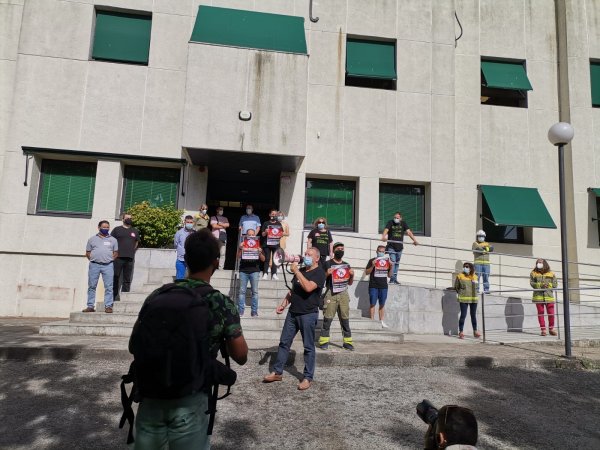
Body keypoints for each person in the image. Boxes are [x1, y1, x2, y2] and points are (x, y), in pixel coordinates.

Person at [132, 229, 248, 449]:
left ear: (186, 259)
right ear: (216, 262)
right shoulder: (220, 302)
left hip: (151, 393)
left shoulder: (158, 295)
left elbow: (133, 344)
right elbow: (240, 356)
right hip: (191, 397)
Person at [263, 247, 326, 391]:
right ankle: (277, 372)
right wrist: (283, 305)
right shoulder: (302, 270)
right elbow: (292, 291)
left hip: (308, 314)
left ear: (317, 258)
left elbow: (308, 287)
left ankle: (307, 377)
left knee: (308, 347)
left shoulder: (319, 273)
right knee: (284, 343)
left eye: (309, 254)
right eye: (305, 254)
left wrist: (297, 271)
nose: (306, 256)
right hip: (292, 313)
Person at [318, 242, 355, 351]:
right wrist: (327, 273)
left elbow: (350, 283)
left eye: (342, 249)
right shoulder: (327, 263)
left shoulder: (346, 265)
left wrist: (352, 275)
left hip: (343, 293)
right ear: (333, 251)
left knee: (345, 319)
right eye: (338, 249)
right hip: (331, 292)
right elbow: (320, 280)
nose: (340, 251)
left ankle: (347, 342)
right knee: (328, 319)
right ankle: (324, 341)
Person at [83, 220, 118, 314]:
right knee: (92, 286)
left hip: (108, 265)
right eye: (104, 227)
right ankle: (90, 306)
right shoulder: (92, 239)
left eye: (107, 227)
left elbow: (116, 253)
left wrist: (109, 260)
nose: (106, 229)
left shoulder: (113, 240)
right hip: (94, 265)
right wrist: (93, 259)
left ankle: (108, 306)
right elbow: (88, 252)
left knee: (109, 287)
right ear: (99, 227)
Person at [381, 211, 419, 284]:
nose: (396, 219)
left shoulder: (403, 223)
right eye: (395, 217)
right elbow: (386, 230)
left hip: (399, 247)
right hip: (391, 246)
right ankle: (392, 279)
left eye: (397, 218)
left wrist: (414, 240)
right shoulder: (390, 222)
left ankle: (394, 279)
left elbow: (409, 232)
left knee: (397, 263)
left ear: (401, 218)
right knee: (393, 262)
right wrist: (383, 236)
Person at [110, 212, 140, 302]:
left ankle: (125, 297)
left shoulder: (135, 231)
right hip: (118, 257)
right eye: (127, 218)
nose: (129, 219)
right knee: (116, 277)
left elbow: (136, 242)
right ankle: (114, 297)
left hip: (130, 258)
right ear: (123, 219)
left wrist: (131, 250)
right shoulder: (117, 230)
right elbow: (111, 241)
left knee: (127, 279)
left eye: (130, 218)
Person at [237, 228, 265, 317]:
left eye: (253, 234)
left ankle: (254, 311)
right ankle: (240, 311)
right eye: (249, 235)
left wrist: (260, 252)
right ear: (246, 236)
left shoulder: (258, 244)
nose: (251, 236)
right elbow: (238, 257)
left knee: (255, 292)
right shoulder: (243, 244)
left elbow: (263, 259)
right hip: (243, 270)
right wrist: (240, 248)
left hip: (255, 271)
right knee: (242, 292)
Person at [365, 245, 393, 328]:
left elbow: (389, 275)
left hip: (383, 286)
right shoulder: (372, 260)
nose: (381, 253)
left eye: (383, 252)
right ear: (376, 251)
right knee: (372, 303)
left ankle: (381, 321)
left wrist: (391, 267)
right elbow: (366, 272)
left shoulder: (387, 261)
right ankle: (372, 321)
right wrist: (372, 265)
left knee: (382, 304)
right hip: (373, 285)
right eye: (380, 251)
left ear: (385, 253)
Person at [530, 258, 558, 336]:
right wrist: (540, 285)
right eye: (537, 262)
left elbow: (555, 284)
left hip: (549, 296)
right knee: (540, 313)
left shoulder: (551, 273)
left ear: (544, 263)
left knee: (551, 314)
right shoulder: (533, 273)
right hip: (538, 297)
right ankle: (543, 330)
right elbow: (532, 283)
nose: (539, 264)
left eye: (540, 262)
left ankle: (551, 329)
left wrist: (548, 285)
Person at [454, 262, 481, 339]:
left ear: (471, 268)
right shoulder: (460, 276)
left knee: (473, 315)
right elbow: (456, 287)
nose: (465, 268)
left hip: (473, 299)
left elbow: (477, 287)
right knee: (463, 315)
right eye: (464, 267)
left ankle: (475, 331)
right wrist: (461, 292)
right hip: (463, 299)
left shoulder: (475, 277)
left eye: (467, 267)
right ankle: (461, 332)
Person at [260, 209, 283, 280]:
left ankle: (274, 274)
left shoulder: (278, 224)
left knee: (275, 259)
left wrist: (279, 234)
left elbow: (281, 234)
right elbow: (262, 234)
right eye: (272, 214)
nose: (274, 215)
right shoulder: (266, 223)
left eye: (275, 214)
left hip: (276, 244)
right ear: (269, 215)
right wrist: (266, 232)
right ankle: (265, 273)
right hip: (267, 244)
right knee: (267, 258)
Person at [174, 215, 195, 279]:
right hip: (181, 259)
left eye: (191, 222)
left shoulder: (195, 233)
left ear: (193, 223)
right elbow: (175, 244)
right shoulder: (179, 233)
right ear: (184, 222)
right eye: (188, 222)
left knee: (192, 279)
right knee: (180, 279)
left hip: (192, 260)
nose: (189, 224)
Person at [472, 230, 493, 294]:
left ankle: (486, 290)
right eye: (480, 236)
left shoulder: (487, 243)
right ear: (477, 236)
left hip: (486, 263)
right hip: (478, 263)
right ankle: (476, 289)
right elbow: (479, 249)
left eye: (482, 236)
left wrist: (484, 249)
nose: (481, 237)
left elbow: (491, 249)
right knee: (477, 277)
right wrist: (486, 249)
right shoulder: (475, 243)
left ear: (484, 237)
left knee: (486, 277)